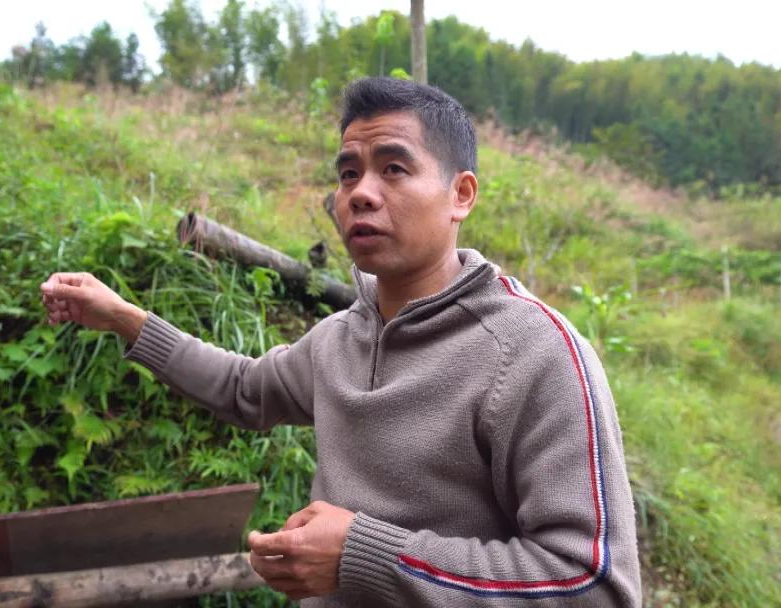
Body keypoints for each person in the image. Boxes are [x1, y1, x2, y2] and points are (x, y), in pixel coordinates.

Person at [40, 77, 641, 606]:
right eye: (349, 172)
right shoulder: (340, 339)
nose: (360, 192)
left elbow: (593, 585)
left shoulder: (534, 353)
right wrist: (123, 318)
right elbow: (245, 389)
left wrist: (364, 553)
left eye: (394, 168)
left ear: (461, 195)